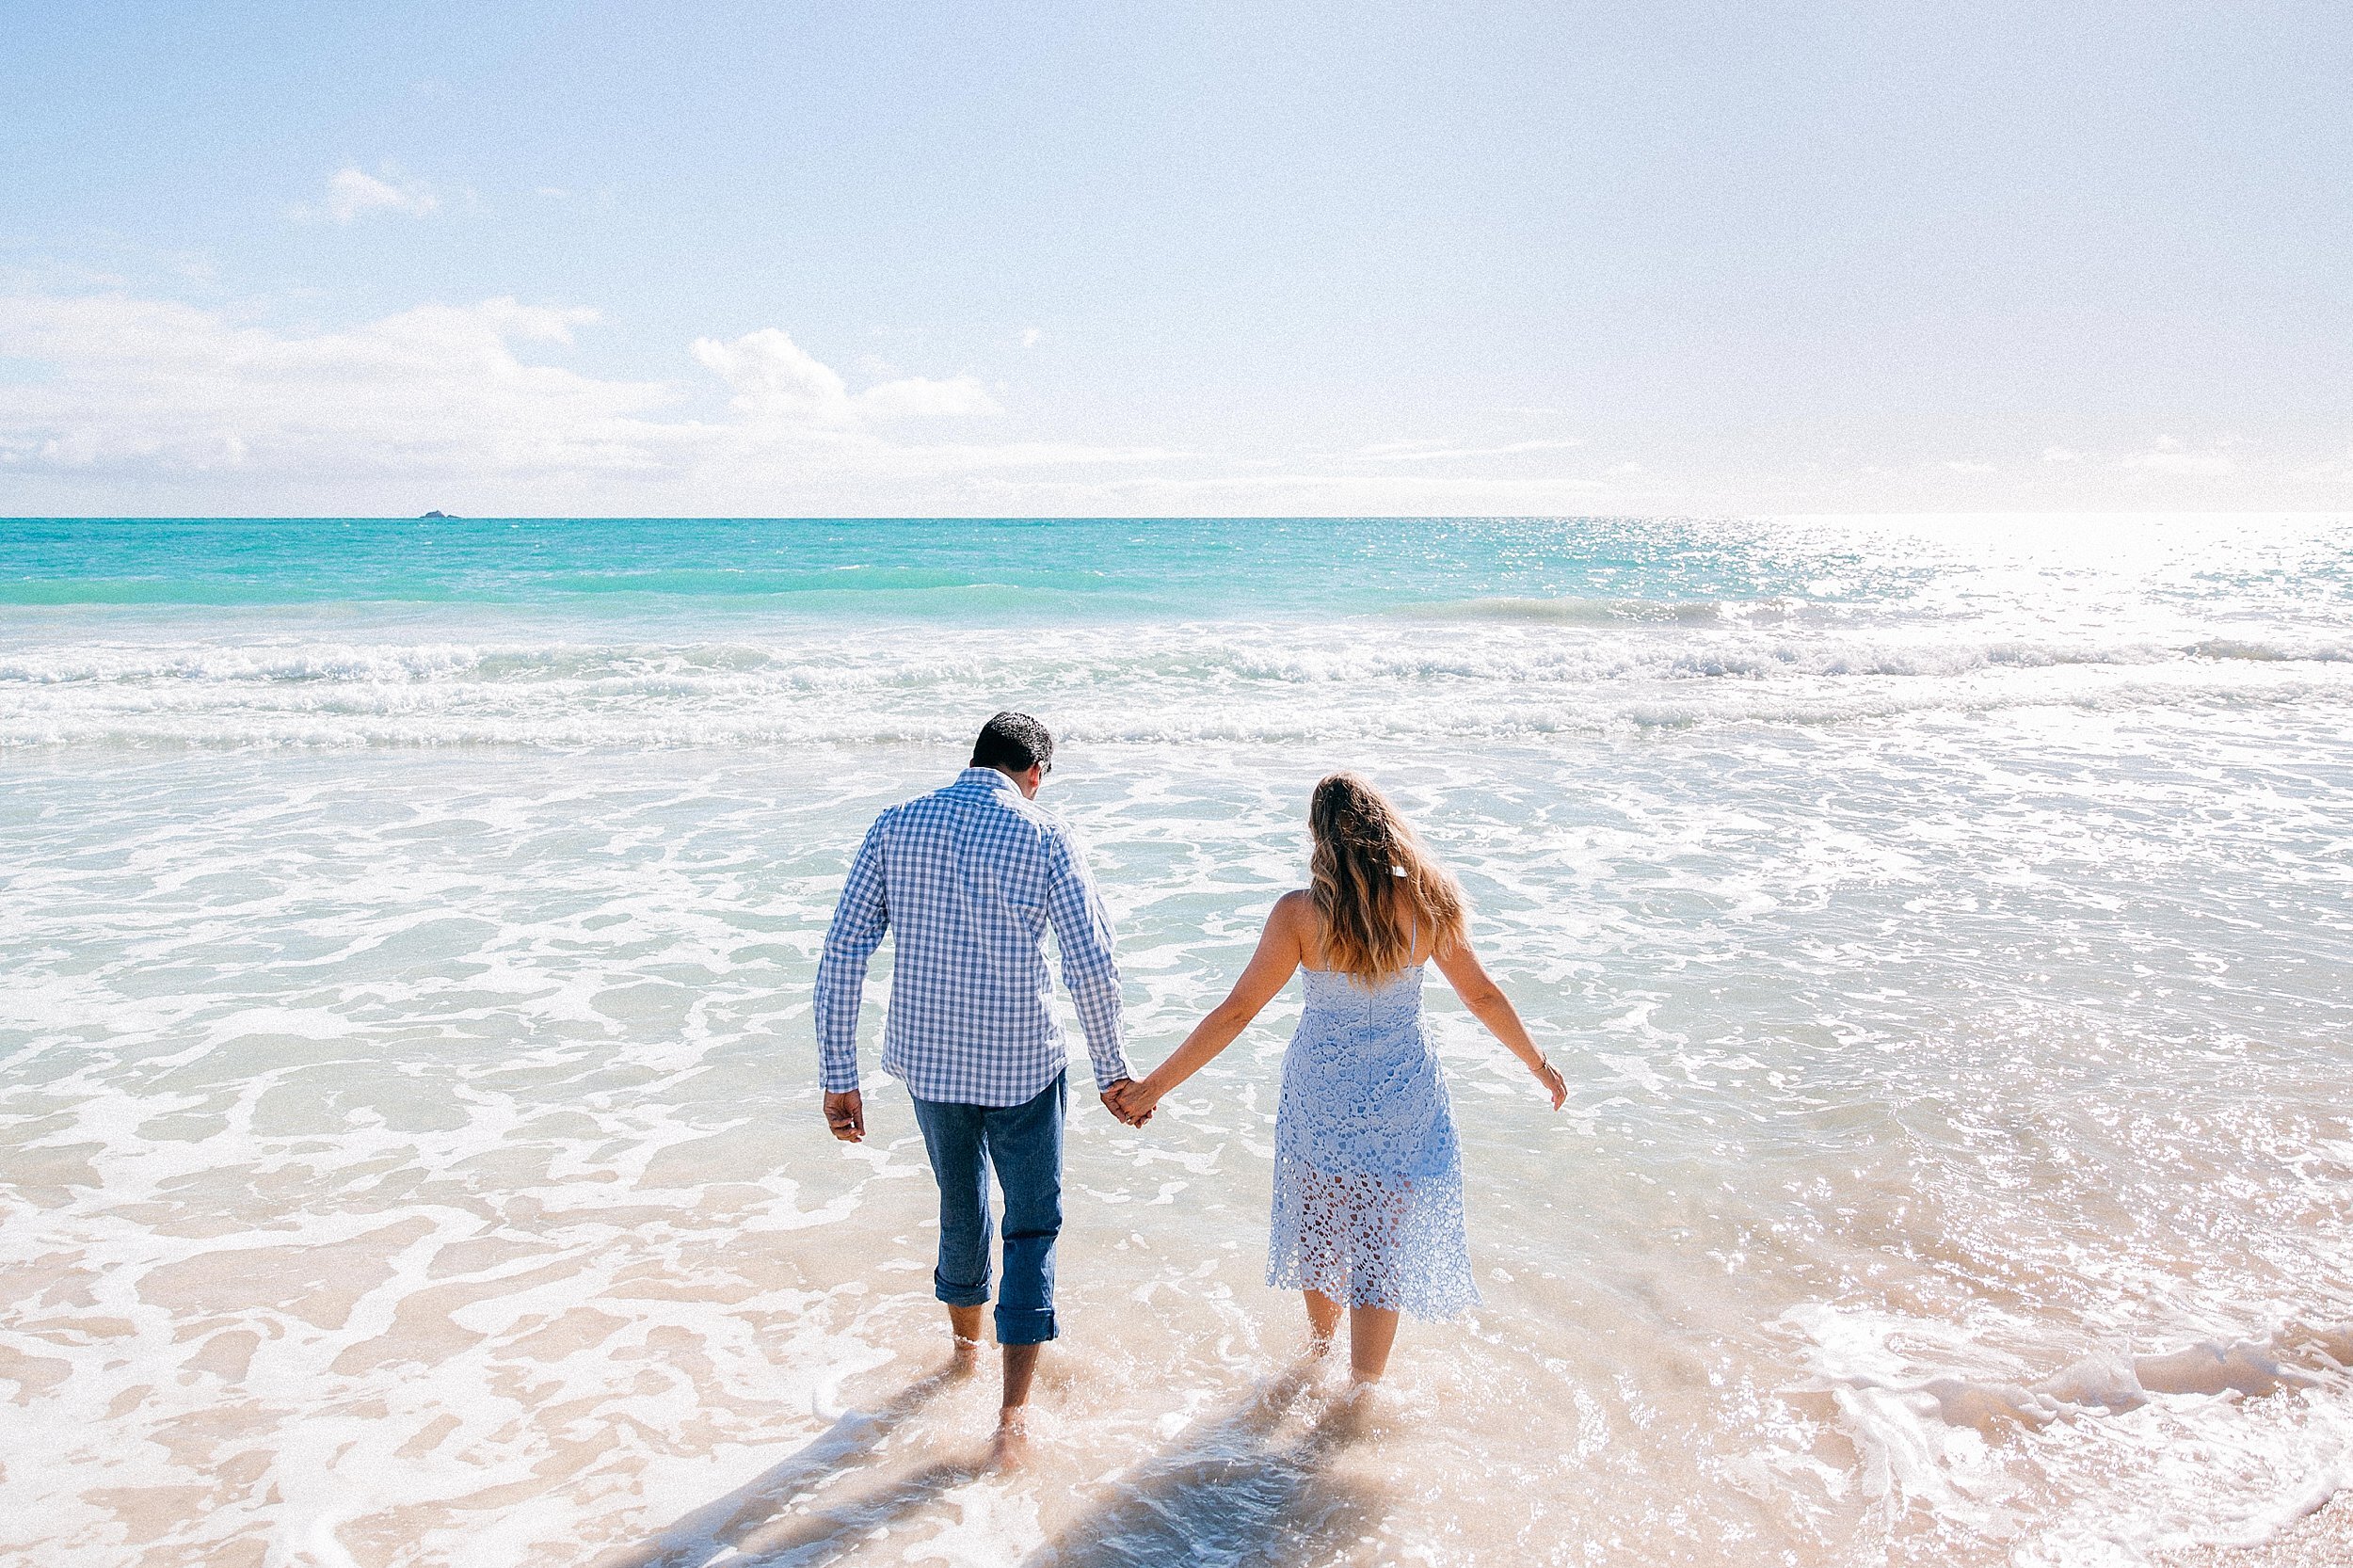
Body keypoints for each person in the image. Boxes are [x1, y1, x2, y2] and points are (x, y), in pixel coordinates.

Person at [1113, 772, 1564, 1388]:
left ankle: (1319, 1361)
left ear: (1319, 837)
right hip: (1404, 1096)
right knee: (1380, 1249)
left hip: (1321, 1097)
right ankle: (1362, 1396)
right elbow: (1482, 996)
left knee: (1321, 1233)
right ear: (1384, 828)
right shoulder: (1427, 903)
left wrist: (1152, 1088)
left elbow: (1237, 1012)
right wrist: (1538, 1066)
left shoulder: (1300, 914)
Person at [813, 712, 1144, 1455]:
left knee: (961, 1206)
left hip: (929, 1064)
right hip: (1022, 1063)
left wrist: (841, 1076)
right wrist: (1115, 1072)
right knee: (1032, 1223)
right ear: (1035, 773)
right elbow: (1091, 962)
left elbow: (842, 951)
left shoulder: (896, 825)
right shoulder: (1044, 833)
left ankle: (963, 1359)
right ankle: (1011, 1415)